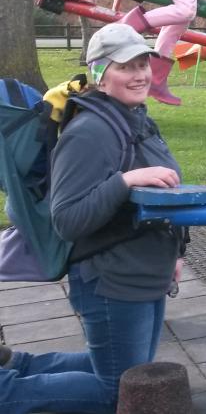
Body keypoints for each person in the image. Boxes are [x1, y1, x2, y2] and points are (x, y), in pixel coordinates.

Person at [0, 23, 188, 413]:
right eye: (125, 67)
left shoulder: (137, 118)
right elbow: (66, 218)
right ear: (101, 74)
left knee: (129, 373)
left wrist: (177, 253)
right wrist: (124, 181)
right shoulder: (90, 131)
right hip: (111, 277)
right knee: (118, 390)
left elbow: (167, 194)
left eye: (142, 64)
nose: (138, 75)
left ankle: (16, 367)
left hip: (145, 270)